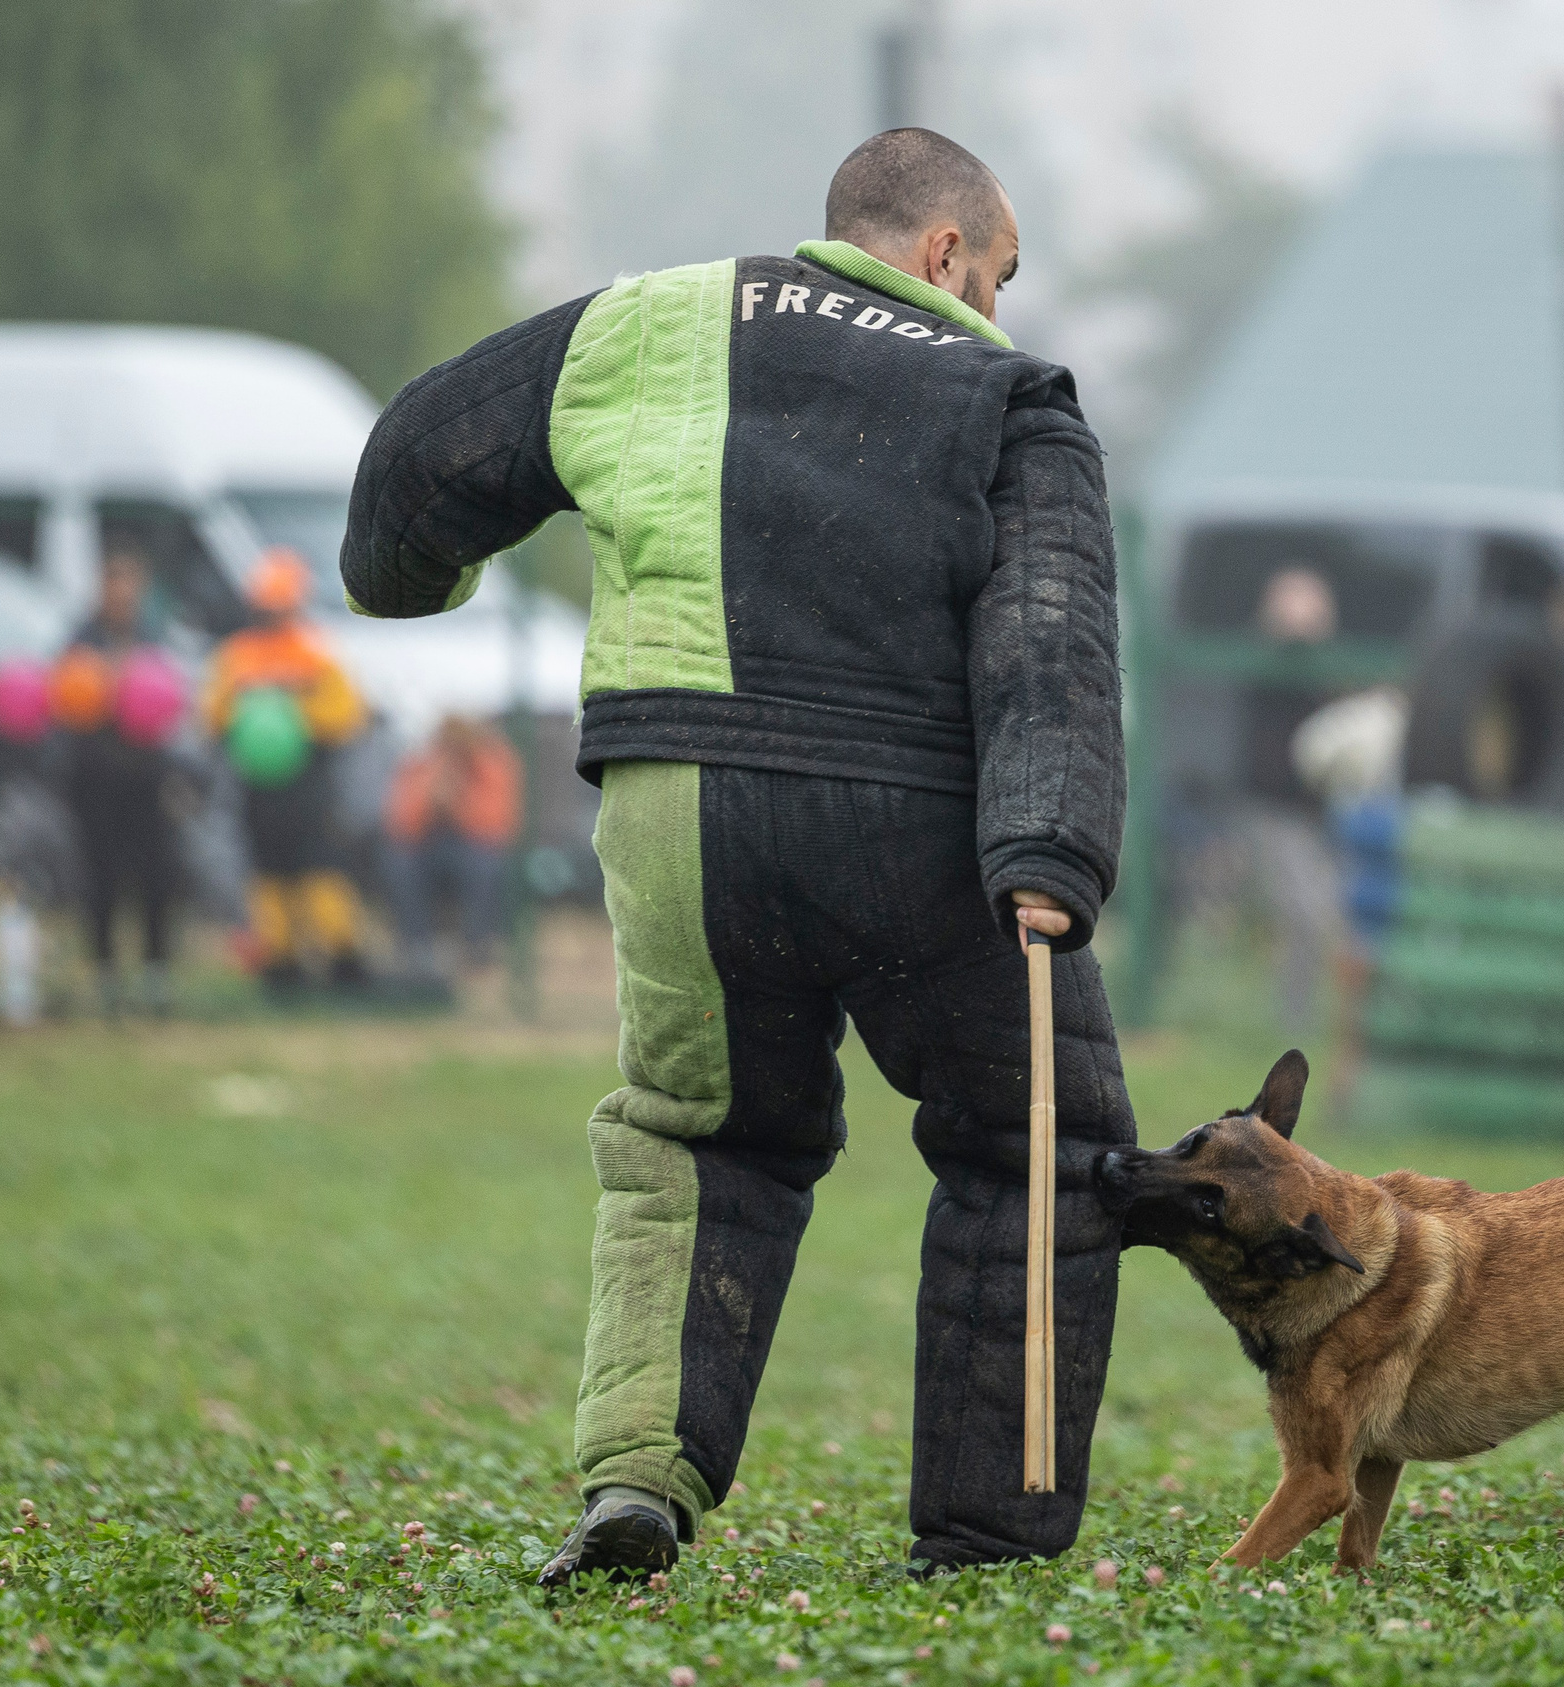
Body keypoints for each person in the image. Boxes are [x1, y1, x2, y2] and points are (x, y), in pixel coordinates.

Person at [341, 128, 1131, 1584]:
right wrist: (1049, 843)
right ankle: (986, 1533)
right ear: (948, 253)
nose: (1000, 311)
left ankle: (636, 1480)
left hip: (682, 805)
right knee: (1040, 1146)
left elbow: (416, 461)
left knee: (696, 1137)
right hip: (919, 823)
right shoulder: (1010, 397)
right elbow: (1050, 640)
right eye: (1001, 274)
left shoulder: (640, 322)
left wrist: (418, 582)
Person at [202, 549, 371, 992]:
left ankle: (337, 957)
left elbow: (345, 717)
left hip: (305, 781)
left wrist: (280, 713)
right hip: (265, 785)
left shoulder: (269, 655)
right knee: (276, 872)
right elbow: (346, 715)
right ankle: (287, 962)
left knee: (313, 871)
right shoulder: (303, 652)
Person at [58, 549, 180, 1012]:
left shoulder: (152, 639)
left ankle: (155, 975)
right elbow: (67, 701)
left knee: (156, 877)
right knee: (101, 878)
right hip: (95, 779)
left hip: (146, 778)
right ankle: (107, 974)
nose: (123, 595)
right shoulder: (80, 641)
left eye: (132, 586)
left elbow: (165, 704)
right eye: (115, 585)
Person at [382, 714, 520, 975]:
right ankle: (417, 948)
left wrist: (457, 803)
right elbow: (401, 825)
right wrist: (433, 794)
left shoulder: (492, 764)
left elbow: (495, 826)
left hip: (474, 846)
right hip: (427, 846)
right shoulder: (421, 764)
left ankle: (477, 945)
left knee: (485, 867)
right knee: (399, 864)